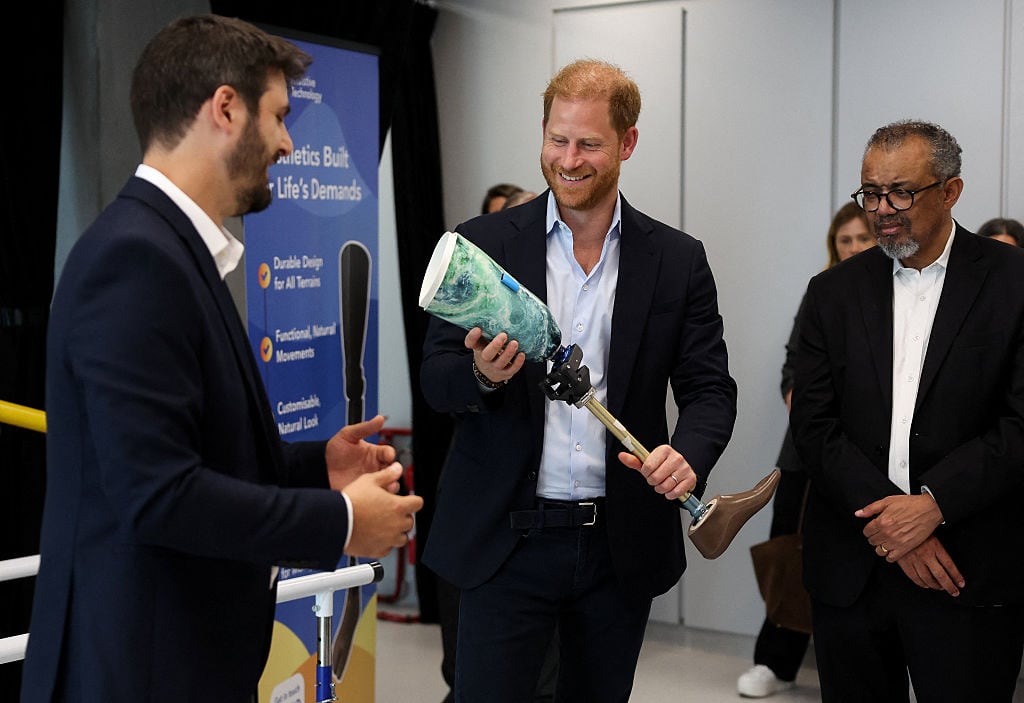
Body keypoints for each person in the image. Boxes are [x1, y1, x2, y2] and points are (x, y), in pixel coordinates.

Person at [20, 15, 423, 702]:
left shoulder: (174, 251)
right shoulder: (135, 260)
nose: (289, 142)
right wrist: (345, 521)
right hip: (138, 670)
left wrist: (314, 464)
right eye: (279, 116)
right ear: (226, 108)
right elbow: (159, 493)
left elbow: (195, 448)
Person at [420, 59, 737, 702]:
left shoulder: (676, 260)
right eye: (557, 139)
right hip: (503, 543)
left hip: (616, 549)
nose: (569, 159)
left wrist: (690, 455)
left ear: (627, 143)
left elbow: (710, 389)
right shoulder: (480, 246)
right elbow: (436, 380)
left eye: (590, 143)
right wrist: (480, 374)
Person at [790, 119, 1024, 701]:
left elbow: (1018, 425)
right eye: (870, 192)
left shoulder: (1013, 283)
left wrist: (934, 505)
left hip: (966, 567)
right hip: (852, 565)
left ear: (950, 191)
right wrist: (896, 525)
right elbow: (815, 425)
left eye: (901, 192)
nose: (882, 209)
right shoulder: (832, 292)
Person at [737, 201, 873, 698]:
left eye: (863, 238)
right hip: (805, 455)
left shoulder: (896, 292)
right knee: (792, 551)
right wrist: (817, 419)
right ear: (833, 246)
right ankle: (775, 662)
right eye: (845, 240)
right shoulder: (821, 294)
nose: (855, 247)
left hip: (872, 461)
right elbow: (793, 371)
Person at [435, 182, 553, 703]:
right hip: (487, 526)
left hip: (586, 534)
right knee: (470, 676)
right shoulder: (471, 268)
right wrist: (481, 375)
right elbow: (437, 380)